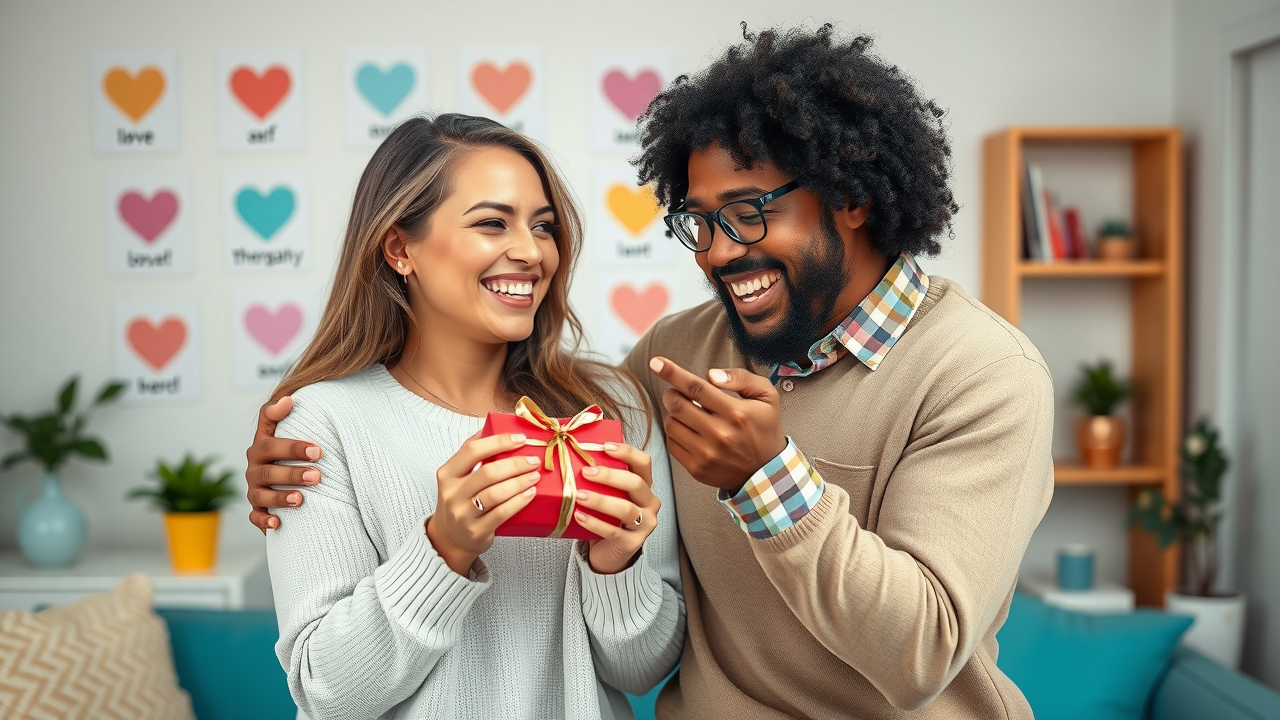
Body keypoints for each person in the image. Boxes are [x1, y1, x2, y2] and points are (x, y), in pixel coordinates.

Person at [248, 25, 1053, 719]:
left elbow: (922, 653)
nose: (720, 252)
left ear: (850, 196)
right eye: (699, 222)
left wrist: (766, 477)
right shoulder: (671, 362)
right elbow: (326, 679)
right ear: (399, 248)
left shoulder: (983, 374)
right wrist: (300, 448)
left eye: (748, 212)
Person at [257, 114, 683, 720]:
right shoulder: (320, 425)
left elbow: (642, 668)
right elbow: (327, 690)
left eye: (543, 227)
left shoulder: (611, 410)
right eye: (491, 223)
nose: (531, 252)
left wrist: (616, 562)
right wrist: (444, 548)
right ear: (400, 247)